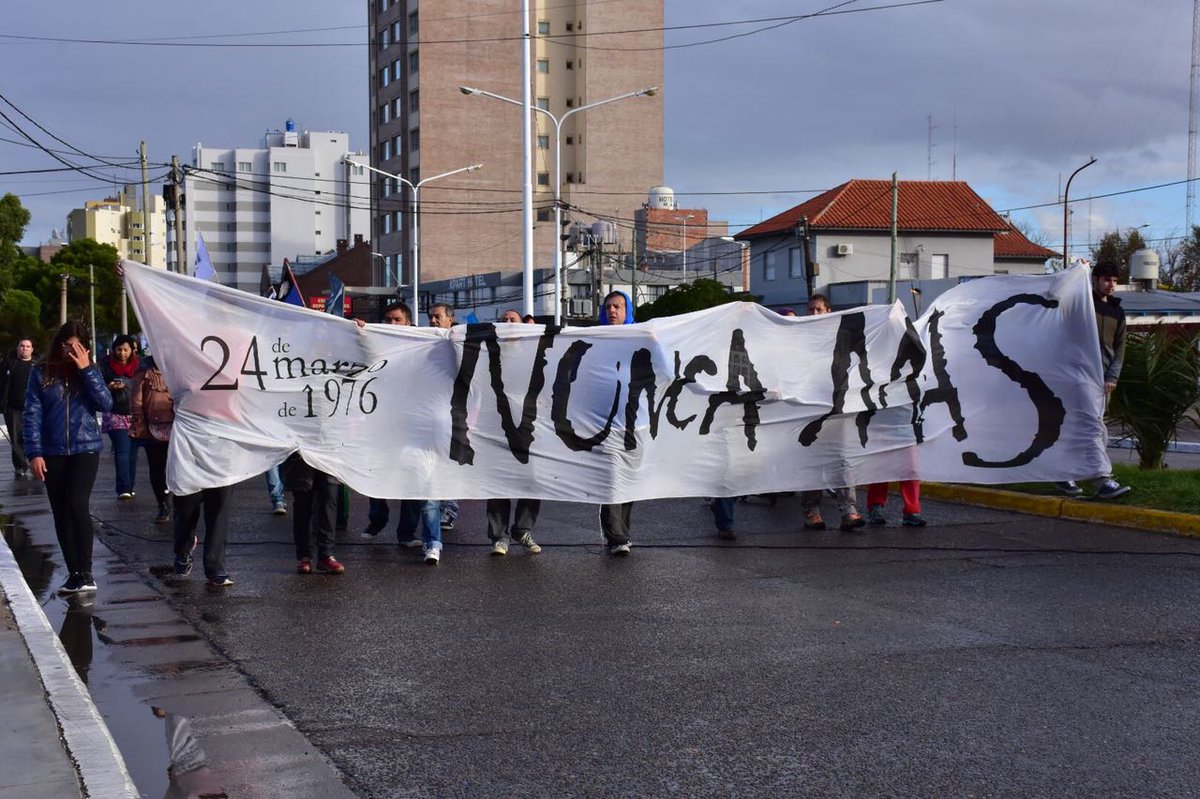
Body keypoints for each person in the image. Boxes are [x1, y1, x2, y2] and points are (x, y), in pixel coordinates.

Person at [23, 321, 113, 594]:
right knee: (61, 513)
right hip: (52, 452)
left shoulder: (90, 372)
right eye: (66, 345)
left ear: (84, 348)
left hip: (85, 448)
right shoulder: (41, 374)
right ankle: (74, 573)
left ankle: (86, 572)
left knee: (76, 504)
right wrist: (34, 453)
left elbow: (106, 404)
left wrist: (86, 370)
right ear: (58, 344)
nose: (70, 351)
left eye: (76, 346)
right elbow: (32, 415)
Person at [1057, 260, 1131, 500]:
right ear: (1095, 279)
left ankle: (1064, 473)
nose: (1111, 285)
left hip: (1103, 381)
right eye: (1107, 279)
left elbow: (1120, 348)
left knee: (1089, 426)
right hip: (1078, 376)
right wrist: (1074, 270)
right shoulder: (1082, 304)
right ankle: (1101, 479)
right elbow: (1057, 295)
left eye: (1115, 281)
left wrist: (1113, 376)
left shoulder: (1118, 312)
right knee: (1091, 427)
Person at [358, 301, 425, 547]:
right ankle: (377, 520)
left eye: (397, 320)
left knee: (412, 477)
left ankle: (407, 533)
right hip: (381, 421)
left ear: (408, 322)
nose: (392, 324)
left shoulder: (424, 344)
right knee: (377, 473)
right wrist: (361, 334)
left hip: (413, 424)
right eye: (388, 320)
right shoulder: (378, 342)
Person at [800, 293, 865, 532]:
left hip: (840, 404)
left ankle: (848, 511)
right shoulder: (802, 338)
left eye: (819, 309)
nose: (814, 314)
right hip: (810, 407)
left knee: (843, 459)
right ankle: (811, 510)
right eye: (811, 310)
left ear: (829, 310)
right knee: (814, 460)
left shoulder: (842, 337)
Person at [487, 309, 544, 556]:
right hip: (497, 426)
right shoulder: (487, 353)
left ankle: (522, 529)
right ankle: (499, 536)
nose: (508, 324)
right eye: (504, 321)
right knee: (499, 482)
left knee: (532, 481)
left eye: (513, 320)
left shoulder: (535, 355)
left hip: (531, 427)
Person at [597, 291, 637, 556]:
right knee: (611, 477)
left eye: (618, 306)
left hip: (636, 421)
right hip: (604, 421)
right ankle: (616, 536)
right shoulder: (595, 339)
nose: (613, 311)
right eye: (609, 306)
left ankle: (622, 531)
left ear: (627, 310)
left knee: (631, 478)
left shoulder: (640, 336)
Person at [281, 453, 345, 575]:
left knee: (329, 500)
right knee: (303, 503)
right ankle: (304, 556)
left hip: (328, 452)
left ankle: (326, 555)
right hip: (301, 454)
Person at [130, 357, 174, 524]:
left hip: (178, 425)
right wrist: (139, 424)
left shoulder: (179, 366)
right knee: (157, 468)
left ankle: (179, 500)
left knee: (177, 466)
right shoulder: (144, 370)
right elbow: (136, 401)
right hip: (151, 428)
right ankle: (163, 504)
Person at [100, 334, 140, 500]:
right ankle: (123, 487)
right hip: (114, 412)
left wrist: (128, 384)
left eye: (125, 350)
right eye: (119, 349)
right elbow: (97, 385)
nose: (122, 353)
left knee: (132, 453)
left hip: (135, 414)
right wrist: (109, 386)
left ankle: (129, 485)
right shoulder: (105, 366)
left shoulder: (139, 366)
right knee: (122, 450)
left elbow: (141, 385)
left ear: (131, 350)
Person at [0, 336, 35, 478]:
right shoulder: (9, 364)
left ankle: (35, 464)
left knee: (33, 437)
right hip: (13, 409)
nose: (24, 349)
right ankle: (20, 467)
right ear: (17, 348)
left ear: (32, 349)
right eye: (22, 346)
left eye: (27, 346)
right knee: (16, 439)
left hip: (33, 409)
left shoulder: (37, 366)